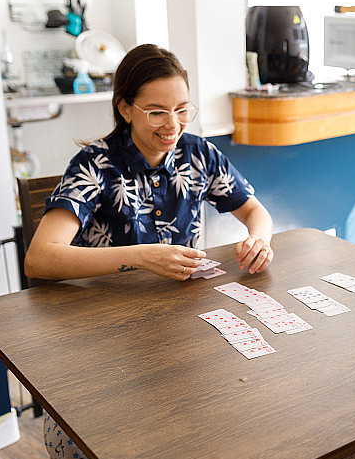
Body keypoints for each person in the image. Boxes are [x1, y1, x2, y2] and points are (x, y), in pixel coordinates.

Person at [25, 44, 274, 283]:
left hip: (181, 299)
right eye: (156, 113)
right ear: (125, 109)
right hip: (109, 305)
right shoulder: (94, 164)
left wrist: (259, 240)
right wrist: (142, 257)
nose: (173, 125)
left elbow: (253, 211)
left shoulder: (199, 153)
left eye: (182, 110)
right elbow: (38, 259)